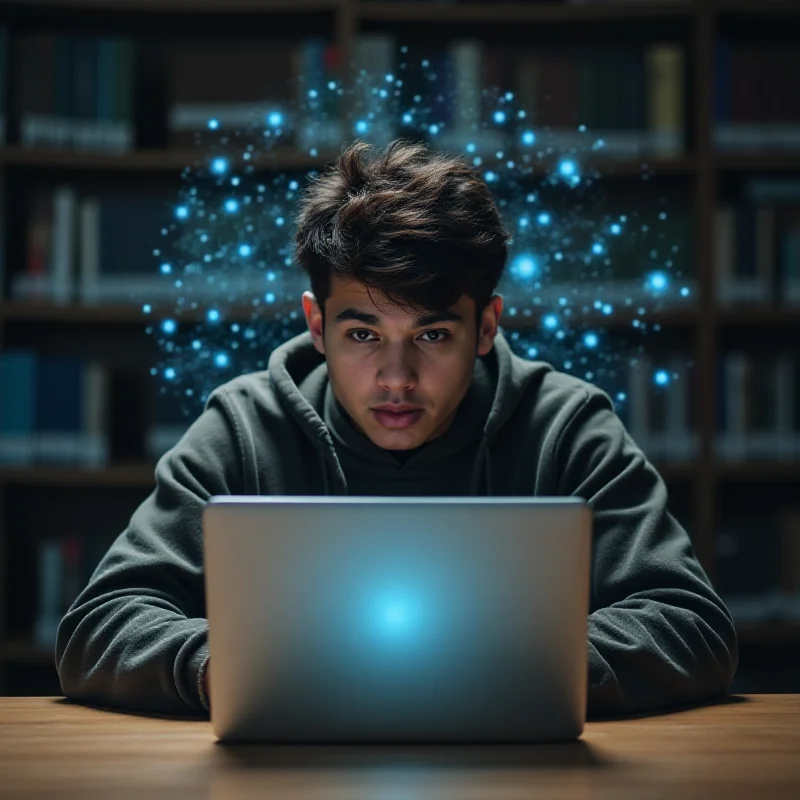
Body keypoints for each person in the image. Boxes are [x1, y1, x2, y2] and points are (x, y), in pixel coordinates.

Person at [56, 139, 738, 718]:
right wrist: (224, 669)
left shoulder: (569, 426)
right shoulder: (241, 427)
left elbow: (693, 626)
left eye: (433, 333)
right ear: (316, 325)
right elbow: (98, 627)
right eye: (363, 333)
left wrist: (502, 675)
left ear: (487, 326)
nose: (396, 378)